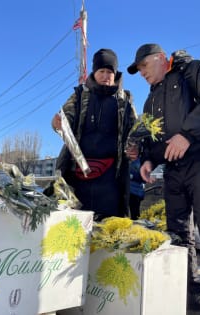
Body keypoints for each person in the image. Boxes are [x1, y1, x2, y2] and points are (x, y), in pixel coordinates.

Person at [127, 43, 200, 314]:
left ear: (159, 58)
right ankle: (190, 299)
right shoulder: (150, 99)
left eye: (143, 66)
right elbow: (154, 140)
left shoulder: (194, 70)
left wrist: (187, 134)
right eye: (138, 70)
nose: (141, 73)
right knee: (179, 236)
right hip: (173, 171)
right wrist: (149, 160)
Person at [52, 48, 137, 221]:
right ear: (94, 72)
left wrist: (136, 146)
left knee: (109, 223)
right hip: (78, 172)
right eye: (101, 71)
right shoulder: (79, 96)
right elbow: (62, 121)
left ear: (115, 74)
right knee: (75, 221)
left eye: (109, 72)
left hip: (110, 176)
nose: (106, 76)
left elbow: (135, 132)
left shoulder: (125, 100)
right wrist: (57, 124)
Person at [128, 155, 145, 220]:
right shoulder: (126, 161)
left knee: (135, 214)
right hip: (130, 191)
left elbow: (143, 179)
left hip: (135, 192)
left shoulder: (139, 163)